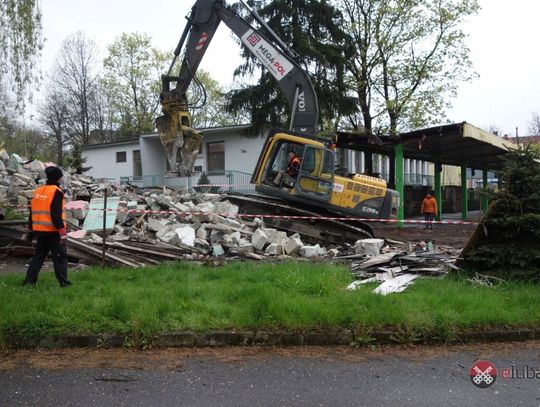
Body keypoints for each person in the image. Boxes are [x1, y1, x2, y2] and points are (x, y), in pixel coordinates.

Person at [22, 166, 71, 287]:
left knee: (39, 256)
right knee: (60, 257)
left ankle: (29, 281)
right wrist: (62, 232)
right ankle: (64, 282)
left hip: (40, 230)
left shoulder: (38, 191)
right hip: (53, 231)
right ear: (59, 178)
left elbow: (32, 212)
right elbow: (55, 214)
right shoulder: (57, 192)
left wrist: (31, 229)